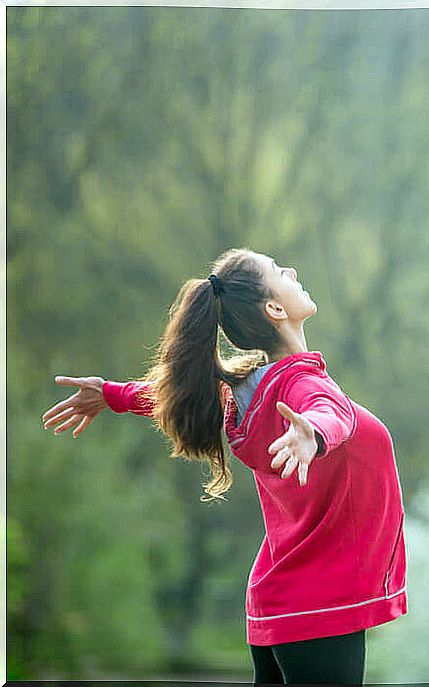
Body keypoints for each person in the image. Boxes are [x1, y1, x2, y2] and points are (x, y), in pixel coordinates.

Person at [41, 247, 407, 685]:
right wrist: (313, 432)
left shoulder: (252, 389)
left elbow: (182, 393)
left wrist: (114, 394)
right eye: (278, 270)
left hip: (284, 599)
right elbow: (329, 410)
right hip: (317, 605)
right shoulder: (300, 383)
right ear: (274, 309)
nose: (291, 269)